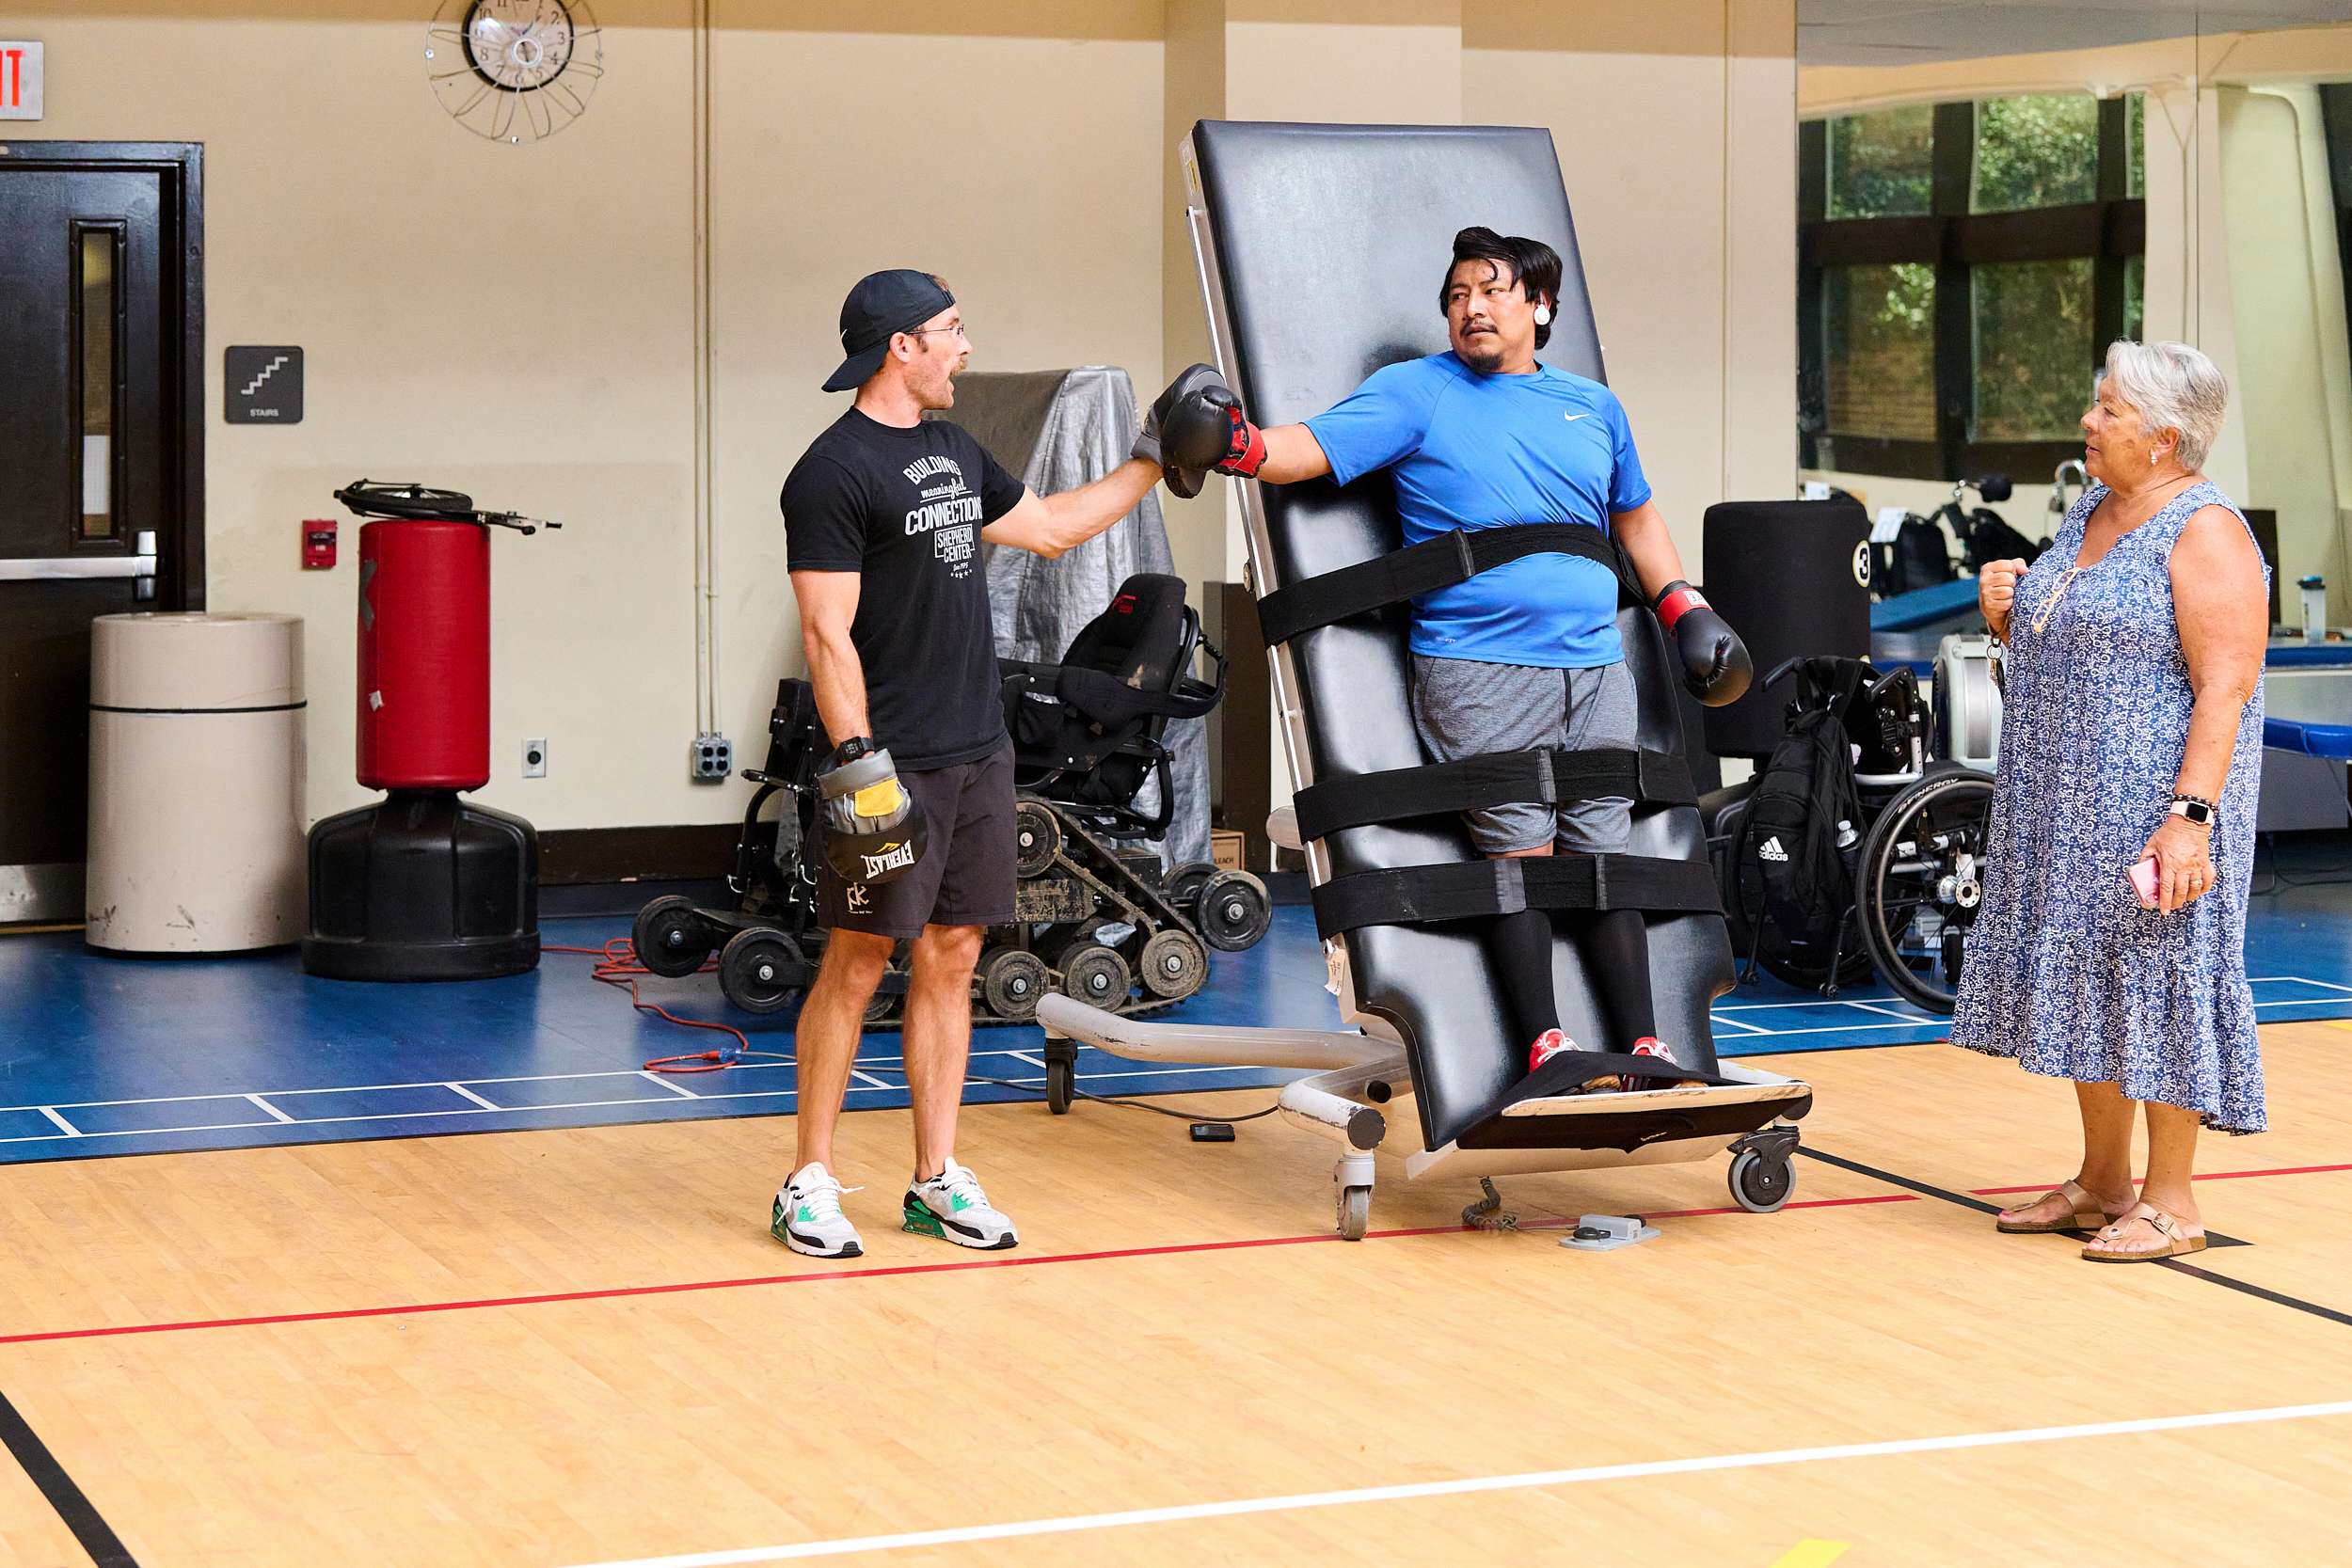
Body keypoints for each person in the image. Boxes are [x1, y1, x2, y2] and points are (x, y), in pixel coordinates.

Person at [1136, 227, 1750, 1090]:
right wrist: (1233, 445)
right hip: (1479, 668)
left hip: (1597, 668)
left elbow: (1636, 518)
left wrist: (1685, 605)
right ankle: (1549, 1049)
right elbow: (1299, 451)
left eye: (1491, 290)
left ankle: (1647, 1049)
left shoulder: (1593, 406)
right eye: (1457, 295)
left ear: (1540, 306)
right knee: (1520, 862)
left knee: (1604, 860)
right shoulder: (1416, 393)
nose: (1471, 307)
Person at [776, 269, 1177, 1258]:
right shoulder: (831, 472)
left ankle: (932, 1178)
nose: (964, 347)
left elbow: (1046, 530)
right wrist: (860, 759)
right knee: (857, 958)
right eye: (949, 331)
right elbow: (826, 634)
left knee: (954, 954)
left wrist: (1154, 460)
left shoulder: (954, 449)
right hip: (891, 757)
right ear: (898, 347)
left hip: (977, 751)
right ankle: (809, 1178)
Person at [1956, 339, 2268, 1263]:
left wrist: (2189, 820)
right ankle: (2102, 1180)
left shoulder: (2203, 529)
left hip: (2154, 806)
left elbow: (2225, 685)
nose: (2087, 423)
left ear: (2165, 439)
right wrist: (2002, 609)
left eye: (2107, 411)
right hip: (2063, 797)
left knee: (2161, 981)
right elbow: (2070, 635)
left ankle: (2171, 1202)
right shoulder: (2098, 504)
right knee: (2093, 976)